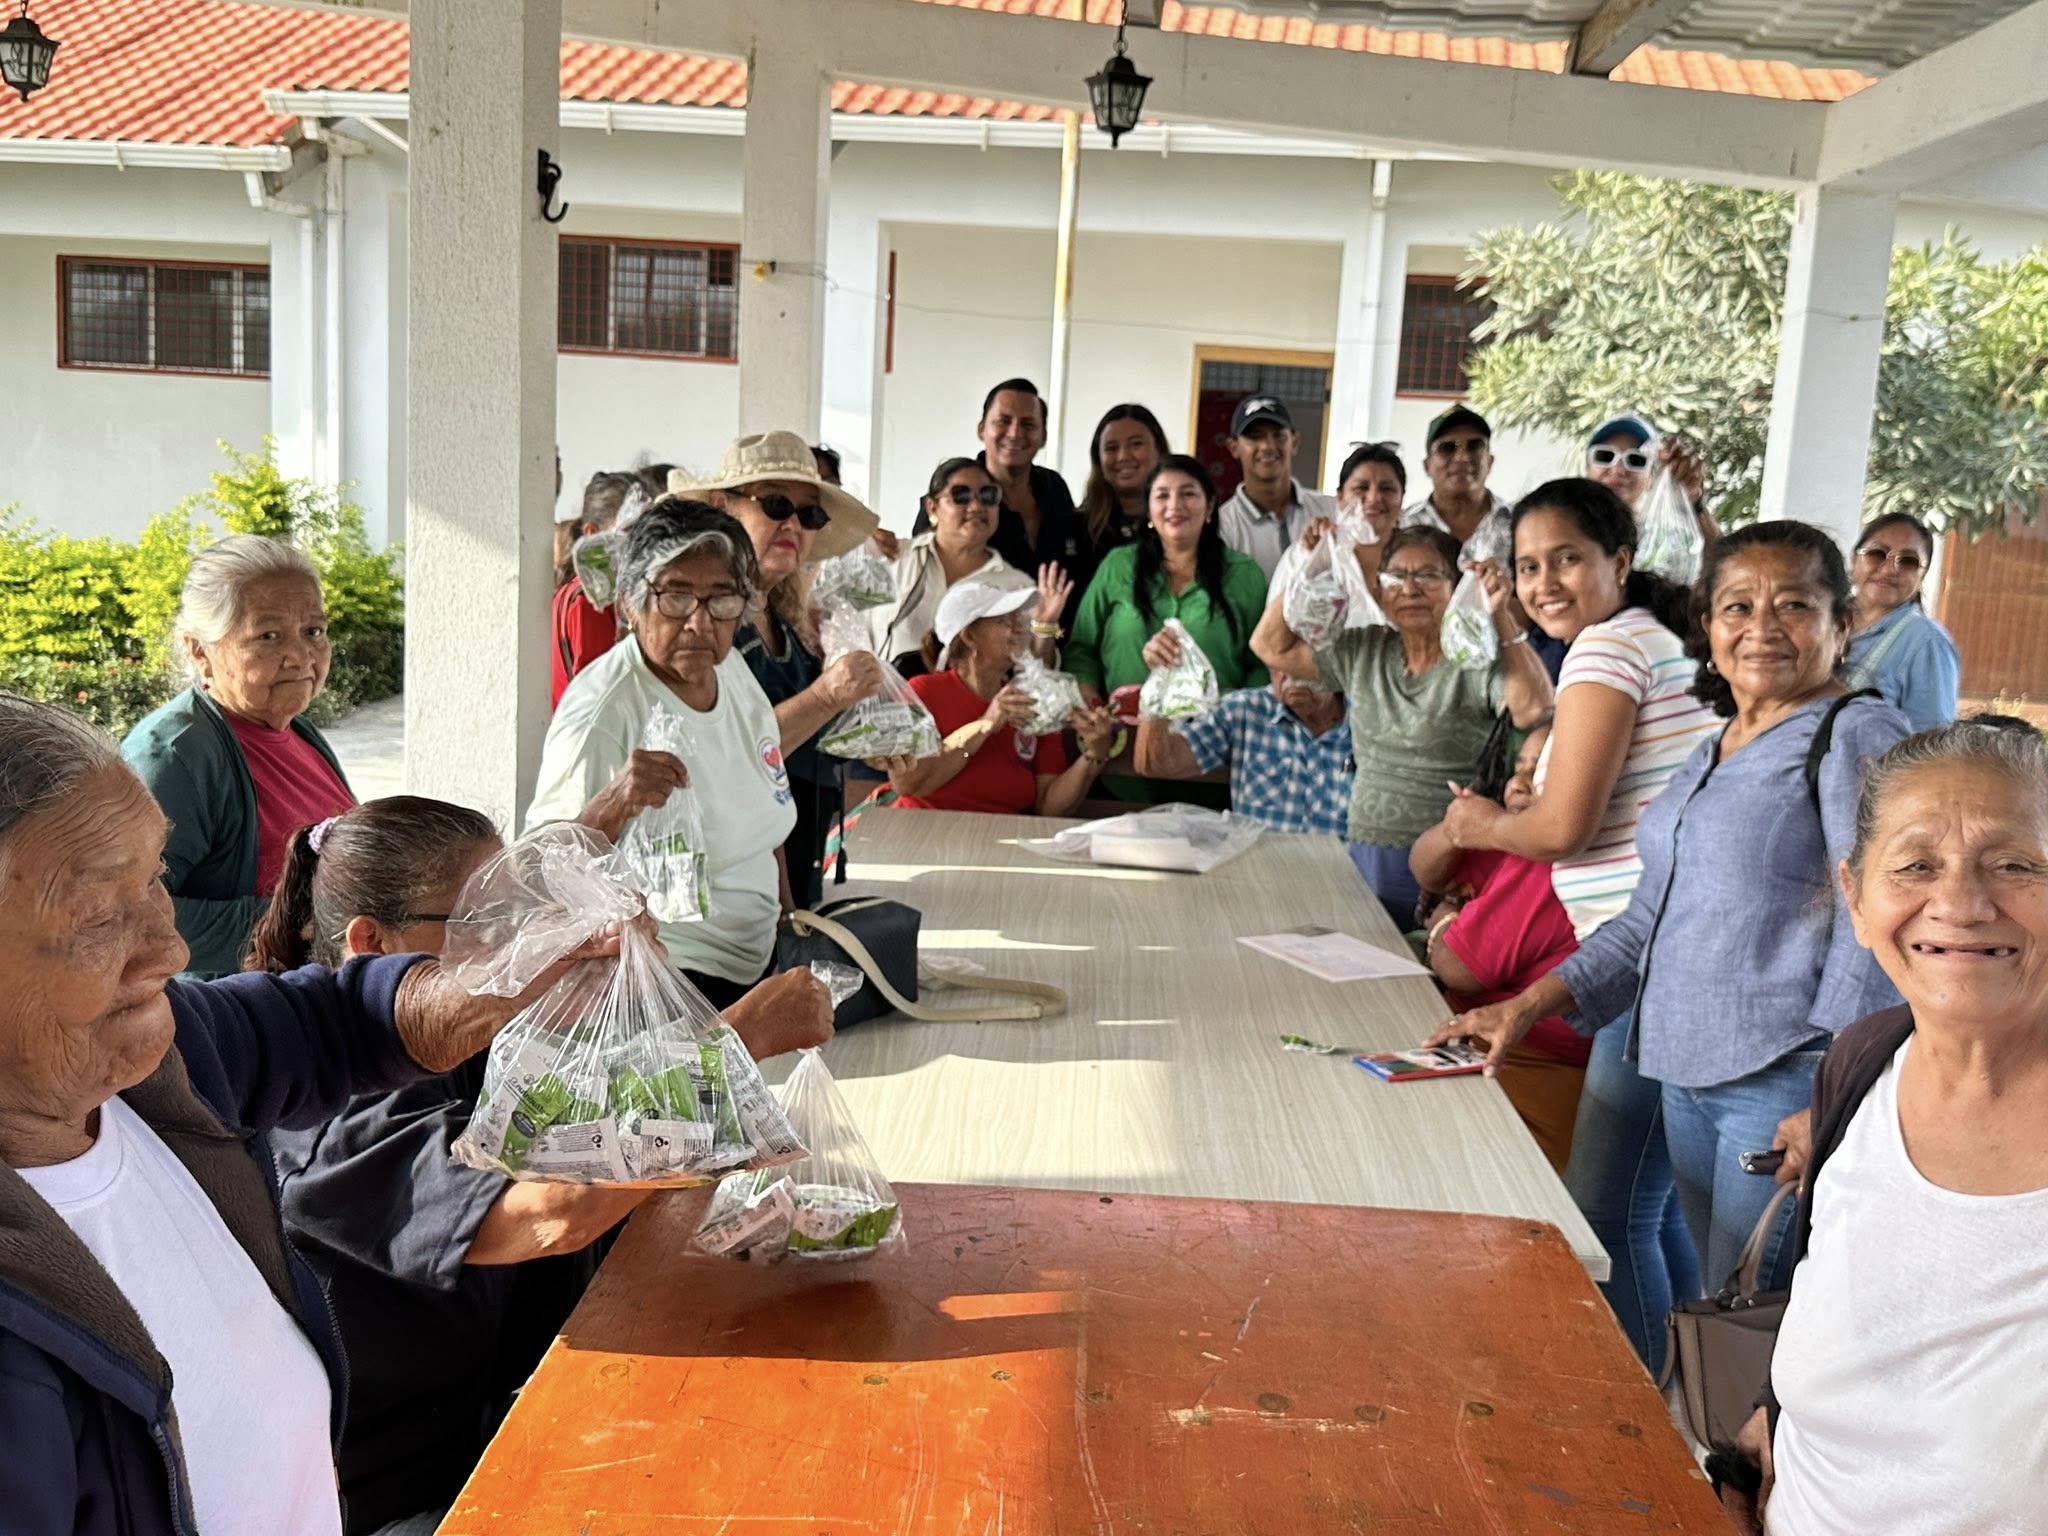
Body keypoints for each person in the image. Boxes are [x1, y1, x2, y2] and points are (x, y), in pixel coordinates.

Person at [0, 693, 611, 1536]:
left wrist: (513, 976)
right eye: (100, 915)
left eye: (157, 880)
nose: (170, 948)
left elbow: (333, 1020)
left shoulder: (162, 1064)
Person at [246, 798, 832, 1535]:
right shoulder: (325, 1115)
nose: (519, 945)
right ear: (373, 943)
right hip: (415, 1498)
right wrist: (735, 1042)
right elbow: (553, 1210)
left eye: (523, 916)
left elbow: (601, 1121)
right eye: (488, 924)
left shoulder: (466, 1043)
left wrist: (623, 985)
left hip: (530, 1410)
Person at [1437, 520, 1911, 1299]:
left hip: (1780, 1074)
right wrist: (1523, 1007)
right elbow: (1647, 920)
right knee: (1688, 1287)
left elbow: (1883, 924)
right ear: (1709, 628)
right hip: (1684, 1063)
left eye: (1793, 605)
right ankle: (1664, 1386)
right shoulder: (1719, 744)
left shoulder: (1854, 732)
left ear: (1843, 623)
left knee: (1746, 1309)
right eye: (1738, 607)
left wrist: (1836, 1091)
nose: (1761, 628)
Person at [1724, 722, 2048, 1536]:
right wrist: (1774, 1413)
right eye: (1915, 866)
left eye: (2016, 865)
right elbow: (1827, 1297)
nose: (1961, 904)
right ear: (1856, 898)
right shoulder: (1861, 1064)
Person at [1425, 476, 1716, 1373]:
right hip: (1671, 951)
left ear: (1618, 561)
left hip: (1643, 961)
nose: (1545, 582)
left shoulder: (1607, 648)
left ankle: (1641, 1407)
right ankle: (1684, 1396)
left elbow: (1562, 831)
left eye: (1567, 560)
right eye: (1528, 566)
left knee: (1607, 1215)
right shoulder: (1659, 635)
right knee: (1654, 1212)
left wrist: (1480, 824)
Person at [526, 499, 801, 1008]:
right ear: (631, 604)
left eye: (722, 599)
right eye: (675, 596)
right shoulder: (605, 708)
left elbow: (769, 810)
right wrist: (614, 802)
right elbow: (538, 871)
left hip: (761, 963)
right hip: (667, 983)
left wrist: (789, 924)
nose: (700, 623)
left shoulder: (731, 672)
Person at [1253, 523, 1552, 926]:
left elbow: (1533, 710)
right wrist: (1311, 564)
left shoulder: (1474, 659)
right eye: (1396, 577)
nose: (1410, 589)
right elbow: (1269, 646)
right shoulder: (1364, 648)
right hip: (1365, 850)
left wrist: (1498, 614)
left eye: (1428, 575)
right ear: (1379, 590)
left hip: (1449, 856)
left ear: (1457, 586)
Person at [122, 534, 355, 979]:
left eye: (313, 631)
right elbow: (125, 911)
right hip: (230, 1009)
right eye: (268, 636)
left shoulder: (296, 730)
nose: (300, 656)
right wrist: (293, 923)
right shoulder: (174, 757)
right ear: (199, 649)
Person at [675, 430, 887, 910]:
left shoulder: (782, 617)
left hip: (788, 866)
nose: (794, 523)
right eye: (775, 505)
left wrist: (871, 742)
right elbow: (724, 753)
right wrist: (827, 696)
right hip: (732, 885)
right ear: (723, 508)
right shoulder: (701, 624)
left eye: (809, 515)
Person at [1408, 724, 1587, 1173]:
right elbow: (1425, 870)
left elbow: (1459, 968)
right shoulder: (1511, 838)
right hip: (1488, 1037)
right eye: (1518, 766)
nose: (1519, 782)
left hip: (1530, 1058)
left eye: (1540, 771)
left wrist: (1443, 918)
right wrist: (1456, 828)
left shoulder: (1547, 860)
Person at [1068, 456, 1273, 802]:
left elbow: (1261, 665)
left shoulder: (1244, 574)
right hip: (1120, 759)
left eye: (1188, 493)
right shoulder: (1118, 566)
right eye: (1162, 495)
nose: (1174, 505)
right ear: (1148, 511)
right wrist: (1092, 707)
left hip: (1212, 761)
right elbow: (1081, 650)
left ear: (1210, 506)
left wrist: (1238, 720)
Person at [888, 581, 1117, 817]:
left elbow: (1048, 805)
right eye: (1005, 621)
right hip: (923, 829)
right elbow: (907, 784)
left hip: (999, 834)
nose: (1019, 629)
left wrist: (1094, 754)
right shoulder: (923, 692)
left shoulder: (1035, 702)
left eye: (1018, 619)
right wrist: (984, 725)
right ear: (970, 637)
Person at [872, 457, 1063, 675]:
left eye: (988, 496)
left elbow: (1034, 675)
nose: (976, 506)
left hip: (977, 699)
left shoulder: (1017, 588)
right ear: (932, 508)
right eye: (960, 496)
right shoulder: (892, 558)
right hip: (884, 694)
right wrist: (860, 537)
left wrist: (1045, 627)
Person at [1133, 667, 1352, 837]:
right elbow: (1156, 762)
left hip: (1346, 876)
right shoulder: (1247, 709)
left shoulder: (1366, 718)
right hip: (1260, 874)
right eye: (1277, 664)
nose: (1287, 675)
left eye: (1296, 662)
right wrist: (1161, 678)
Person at [1844, 511, 1960, 732]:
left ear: (1922, 575)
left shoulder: (1927, 643)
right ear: (1853, 559)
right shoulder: (1823, 621)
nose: (1890, 569)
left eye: (1908, 561)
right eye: (1877, 554)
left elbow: (1931, 741)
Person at [1214, 394, 1336, 581]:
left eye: (1278, 435)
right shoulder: (1222, 527)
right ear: (1233, 447)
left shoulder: (1330, 510)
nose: (1267, 446)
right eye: (1254, 437)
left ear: (1294, 442)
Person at [551, 469, 637, 709]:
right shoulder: (590, 600)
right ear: (592, 533)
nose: (641, 544)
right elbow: (600, 693)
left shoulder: (586, 592)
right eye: (630, 530)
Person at [1582, 412, 1715, 542]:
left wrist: (1693, 503)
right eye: (1605, 456)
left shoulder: (1662, 537)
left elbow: (1715, 553)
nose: (1618, 470)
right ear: (1587, 468)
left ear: (1651, 477)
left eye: (1636, 460)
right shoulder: (1570, 526)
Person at [1401, 405, 1512, 548]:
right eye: (1447, 448)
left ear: (1490, 461)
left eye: (1474, 446)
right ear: (1427, 466)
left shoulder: (1518, 521)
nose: (1462, 457)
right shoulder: (1404, 526)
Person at [1076, 403, 1170, 562]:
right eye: (1111, 448)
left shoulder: (1179, 521)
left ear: (1159, 449)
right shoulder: (1076, 529)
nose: (1123, 457)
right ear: (1098, 459)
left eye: (1136, 444)